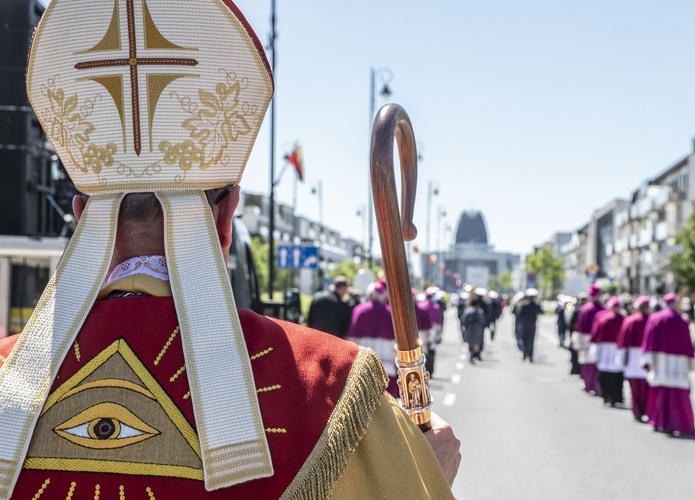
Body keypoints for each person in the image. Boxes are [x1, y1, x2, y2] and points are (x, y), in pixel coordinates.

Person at [0, 2, 459, 497]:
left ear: (81, 213)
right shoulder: (331, 389)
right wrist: (421, 473)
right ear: (225, 217)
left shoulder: (6, 375)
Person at [641, 293, 695, 436]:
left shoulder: (655, 318)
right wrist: (690, 362)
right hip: (679, 363)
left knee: (660, 392)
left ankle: (659, 421)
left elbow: (649, 341)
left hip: (660, 361)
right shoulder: (682, 321)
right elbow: (688, 345)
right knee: (678, 394)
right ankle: (680, 424)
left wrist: (648, 361)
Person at [349, 281, 399, 397]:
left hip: (364, 364)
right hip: (386, 365)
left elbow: (352, 339)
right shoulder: (390, 312)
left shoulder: (359, 310)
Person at [617, 295, 651, 422]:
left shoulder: (630, 320)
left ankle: (637, 411)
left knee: (634, 389)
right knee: (646, 388)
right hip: (647, 357)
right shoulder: (652, 320)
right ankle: (647, 410)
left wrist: (621, 360)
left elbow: (622, 342)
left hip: (632, 357)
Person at [590, 297, 625, 406]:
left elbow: (595, 337)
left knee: (607, 374)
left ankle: (608, 396)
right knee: (614, 374)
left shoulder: (603, 319)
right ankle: (614, 397)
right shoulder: (623, 319)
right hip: (614, 349)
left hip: (607, 349)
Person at [573, 284, 605, 394]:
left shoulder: (585, 308)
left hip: (586, 338)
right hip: (600, 340)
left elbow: (579, 327)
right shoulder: (604, 308)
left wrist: (577, 343)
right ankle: (597, 385)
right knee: (597, 364)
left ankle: (588, 384)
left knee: (587, 364)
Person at [517, 288, 543, 362]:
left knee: (524, 339)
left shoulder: (524, 305)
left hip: (524, 325)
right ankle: (530, 355)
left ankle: (525, 353)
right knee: (531, 341)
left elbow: (520, 314)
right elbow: (541, 312)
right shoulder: (536, 305)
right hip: (532, 325)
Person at [461, 298, 486, 364]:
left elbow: (463, 320)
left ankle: (471, 354)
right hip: (478, 329)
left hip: (469, 329)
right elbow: (483, 321)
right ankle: (474, 354)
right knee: (476, 343)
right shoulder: (480, 311)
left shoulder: (467, 311)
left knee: (470, 342)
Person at [568, 294, 587, 375]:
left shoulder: (583, 310)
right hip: (577, 334)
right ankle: (575, 369)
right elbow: (572, 324)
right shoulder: (578, 310)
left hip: (583, 335)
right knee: (575, 352)